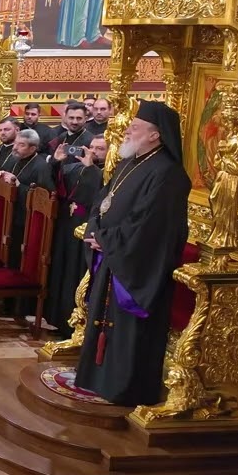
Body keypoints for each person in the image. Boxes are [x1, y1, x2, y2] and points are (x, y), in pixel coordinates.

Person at [75, 102, 191, 406]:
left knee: (127, 330)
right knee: (102, 320)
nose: (127, 130)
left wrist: (108, 240)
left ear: (155, 135)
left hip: (136, 266)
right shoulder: (130, 162)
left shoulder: (168, 174)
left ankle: (124, 388)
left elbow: (151, 225)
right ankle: (97, 379)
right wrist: (96, 231)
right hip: (113, 256)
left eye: (135, 127)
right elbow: (103, 200)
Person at [45, 136, 106, 338]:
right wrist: (56, 162)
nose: (94, 151)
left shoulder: (107, 173)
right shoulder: (75, 168)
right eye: (92, 147)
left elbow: (98, 196)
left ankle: (75, 326)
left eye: (100, 148)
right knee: (62, 271)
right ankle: (58, 318)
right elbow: (54, 182)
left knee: (76, 273)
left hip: (87, 231)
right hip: (66, 227)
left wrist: (91, 169)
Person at [0, 129, 55, 269]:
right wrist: (1, 176)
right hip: (8, 215)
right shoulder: (13, 159)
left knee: (18, 258)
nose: (15, 147)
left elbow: (45, 198)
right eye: (15, 143)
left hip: (26, 221)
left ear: (33, 148)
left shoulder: (41, 167)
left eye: (21, 145)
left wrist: (18, 185)